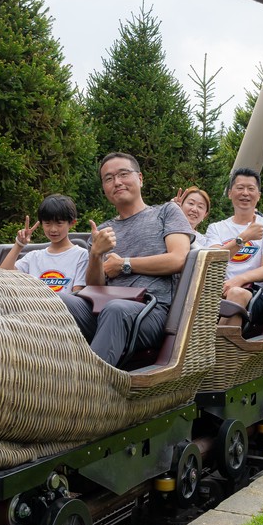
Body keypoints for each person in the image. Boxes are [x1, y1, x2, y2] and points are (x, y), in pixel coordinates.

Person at [60, 153, 193, 367]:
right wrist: (95, 254)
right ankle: (44, 375)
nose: (117, 182)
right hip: (103, 308)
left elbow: (178, 259)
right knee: (60, 301)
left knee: (116, 310)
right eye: (109, 178)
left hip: (151, 311)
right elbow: (95, 287)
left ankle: (90, 390)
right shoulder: (103, 230)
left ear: (140, 178)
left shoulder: (166, 213)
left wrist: (124, 264)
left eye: (123, 174)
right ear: (104, 188)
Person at [204, 168, 263, 332]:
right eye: (240, 188)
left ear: (258, 195)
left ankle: (214, 351)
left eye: (251, 189)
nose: (245, 193)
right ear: (230, 193)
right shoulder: (216, 228)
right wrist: (243, 238)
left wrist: (238, 280)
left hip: (254, 294)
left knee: (237, 294)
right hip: (217, 292)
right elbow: (214, 261)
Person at [0, 193, 88, 295]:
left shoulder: (81, 255)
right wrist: (19, 244)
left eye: (59, 223)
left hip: (64, 309)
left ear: (71, 223)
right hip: (33, 309)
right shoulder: (33, 257)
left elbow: (77, 297)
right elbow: (2, 277)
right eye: (47, 223)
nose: (53, 229)